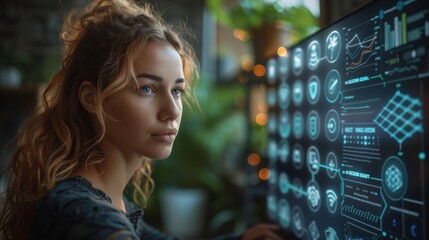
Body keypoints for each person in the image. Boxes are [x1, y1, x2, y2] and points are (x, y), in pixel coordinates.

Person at [0, 0, 282, 239]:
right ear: (91, 98)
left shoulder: (114, 201)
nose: (171, 111)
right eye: (146, 88)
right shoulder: (81, 213)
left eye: (177, 91)